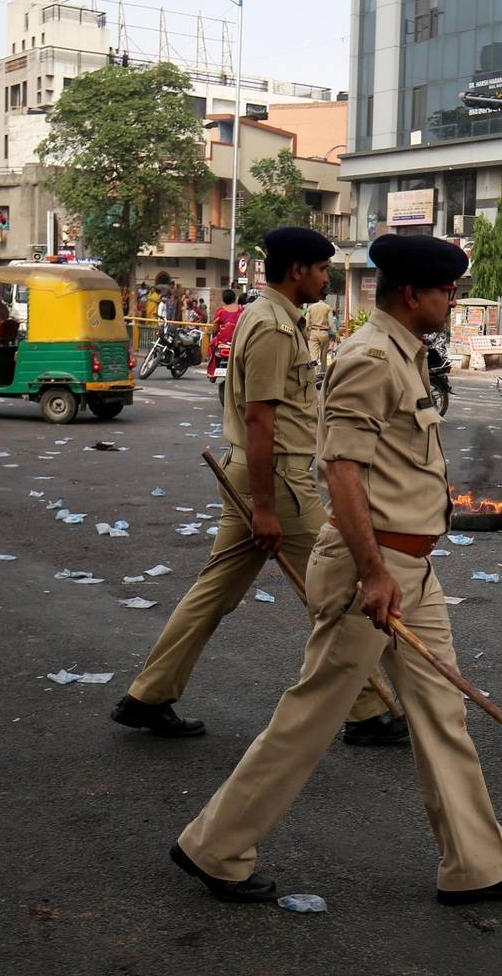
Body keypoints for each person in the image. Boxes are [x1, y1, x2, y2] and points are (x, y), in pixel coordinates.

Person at [171, 233, 502, 906]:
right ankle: (215, 846)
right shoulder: (372, 358)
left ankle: (476, 865)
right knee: (312, 713)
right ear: (411, 293)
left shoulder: (405, 356)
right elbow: (341, 470)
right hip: (370, 570)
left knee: (440, 712)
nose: (454, 299)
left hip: (410, 567)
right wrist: (374, 573)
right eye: (447, 290)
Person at [111, 228, 404, 746]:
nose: (325, 278)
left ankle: (148, 696)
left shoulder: (267, 316)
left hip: (253, 475)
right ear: (297, 272)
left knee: (213, 593)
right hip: (277, 482)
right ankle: (367, 709)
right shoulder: (272, 326)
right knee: (335, 588)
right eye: (320, 269)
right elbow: (260, 420)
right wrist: (266, 508)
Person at [305, 296, 336, 370]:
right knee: (323, 357)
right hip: (324, 333)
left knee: (313, 356)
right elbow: (331, 323)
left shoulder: (311, 307)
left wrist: (306, 334)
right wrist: (335, 334)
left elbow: (306, 323)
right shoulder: (328, 307)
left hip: (313, 332)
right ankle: (322, 374)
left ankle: (313, 374)